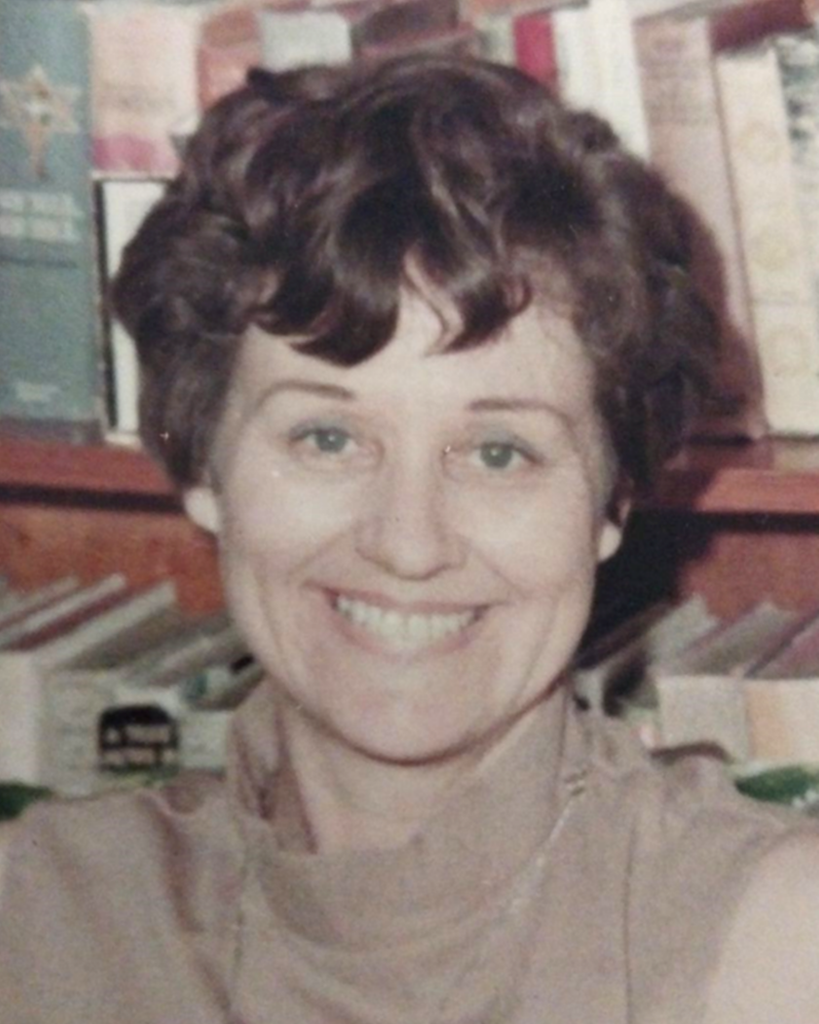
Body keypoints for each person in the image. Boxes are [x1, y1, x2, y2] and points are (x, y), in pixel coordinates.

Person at [1, 53, 818, 1023]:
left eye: (499, 453)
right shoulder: (42, 917)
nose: (408, 544)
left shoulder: (774, 942)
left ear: (609, 503)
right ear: (206, 468)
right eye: (328, 438)